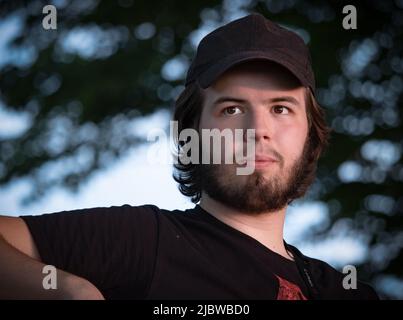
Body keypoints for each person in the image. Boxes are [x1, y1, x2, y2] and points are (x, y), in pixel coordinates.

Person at [0, 13, 378, 300]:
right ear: (191, 132)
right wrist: (68, 290)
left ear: (311, 133)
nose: (257, 129)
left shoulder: (344, 290)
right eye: (231, 109)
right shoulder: (147, 241)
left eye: (281, 108)